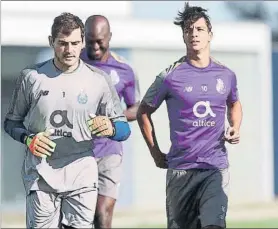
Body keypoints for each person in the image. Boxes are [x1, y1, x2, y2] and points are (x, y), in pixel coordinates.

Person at [4, 12, 130, 228]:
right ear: (51, 42)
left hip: (82, 173)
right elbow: (11, 123)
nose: (69, 50)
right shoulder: (32, 77)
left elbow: (123, 129)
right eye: (62, 43)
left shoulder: (99, 80)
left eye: (74, 43)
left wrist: (110, 127)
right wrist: (29, 139)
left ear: (82, 42)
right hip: (41, 174)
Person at [136, 3, 243, 229]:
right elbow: (143, 111)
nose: (194, 34)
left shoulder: (226, 74)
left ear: (210, 34)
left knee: (214, 224)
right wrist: (155, 152)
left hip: (215, 167)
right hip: (181, 170)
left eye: (199, 29)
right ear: (183, 36)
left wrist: (235, 126)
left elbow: (234, 103)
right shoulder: (169, 77)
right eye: (188, 30)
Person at [80, 15, 140, 229]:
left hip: (109, 150)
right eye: (90, 40)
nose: (95, 46)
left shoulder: (125, 70)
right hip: (76, 151)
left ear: (110, 37)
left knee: (102, 215)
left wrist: (115, 119)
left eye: (100, 41)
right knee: (77, 217)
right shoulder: (71, 62)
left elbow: (137, 107)